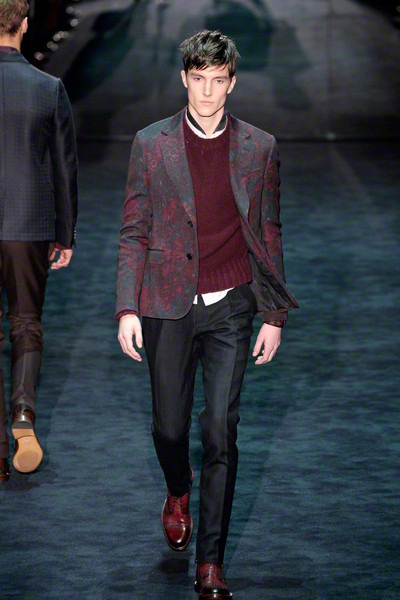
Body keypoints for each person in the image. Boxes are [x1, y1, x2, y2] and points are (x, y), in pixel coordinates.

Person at [116, 30, 298, 599]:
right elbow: (134, 230)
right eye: (198, 80)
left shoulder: (259, 147)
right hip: (166, 304)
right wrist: (127, 306)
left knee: (221, 430)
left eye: (218, 81)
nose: (207, 93)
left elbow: (269, 231)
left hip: (231, 305)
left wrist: (273, 314)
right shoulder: (151, 144)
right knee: (169, 428)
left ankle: (210, 563)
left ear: (232, 83)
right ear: (184, 79)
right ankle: (178, 489)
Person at [0, 0, 77, 481]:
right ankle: (23, 413)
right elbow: (65, 167)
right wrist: (65, 233)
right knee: (26, 321)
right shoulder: (48, 88)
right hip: (28, 222)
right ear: (25, 25)